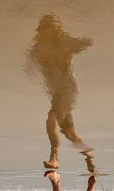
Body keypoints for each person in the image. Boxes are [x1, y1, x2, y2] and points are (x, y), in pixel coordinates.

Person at [27, 14, 95, 170]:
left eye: (49, 28)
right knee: (69, 133)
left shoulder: (63, 43)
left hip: (66, 88)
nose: (45, 31)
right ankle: (88, 153)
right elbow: (32, 61)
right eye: (44, 28)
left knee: (51, 118)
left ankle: (54, 157)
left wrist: (78, 43)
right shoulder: (40, 47)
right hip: (56, 92)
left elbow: (84, 43)